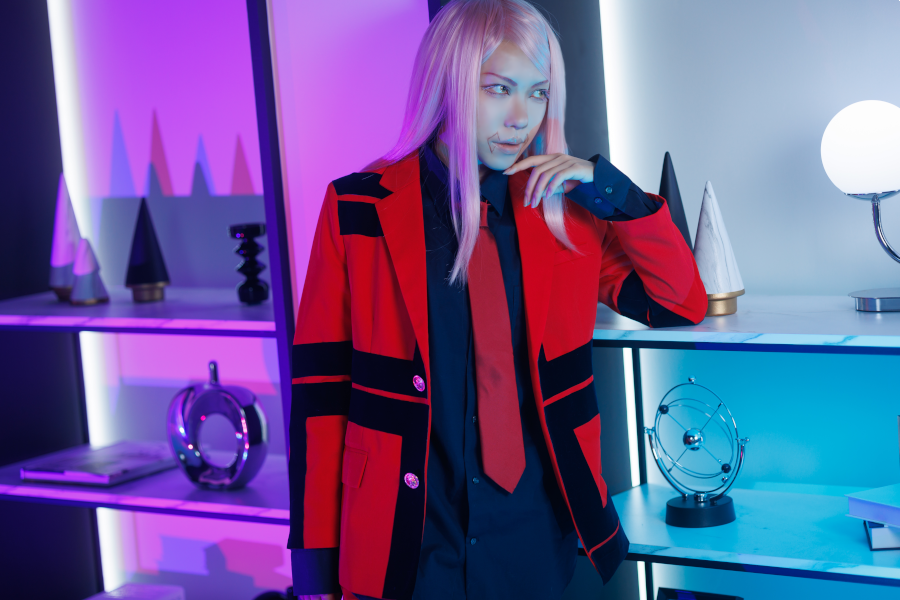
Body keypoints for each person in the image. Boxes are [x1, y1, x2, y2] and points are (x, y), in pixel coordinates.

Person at [288, 1, 707, 599]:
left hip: (535, 536)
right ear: (447, 84)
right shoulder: (358, 209)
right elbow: (321, 391)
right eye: (498, 89)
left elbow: (678, 302)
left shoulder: (568, 213)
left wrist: (611, 189)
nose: (520, 117)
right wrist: (314, 567)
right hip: (402, 538)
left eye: (538, 93)